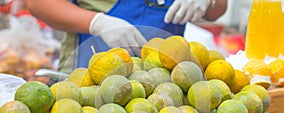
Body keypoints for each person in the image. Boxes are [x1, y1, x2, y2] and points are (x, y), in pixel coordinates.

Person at [26, 0, 227, 73]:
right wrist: (97, 23)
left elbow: (217, 10)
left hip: (164, 83)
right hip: (89, 81)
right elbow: (38, 4)